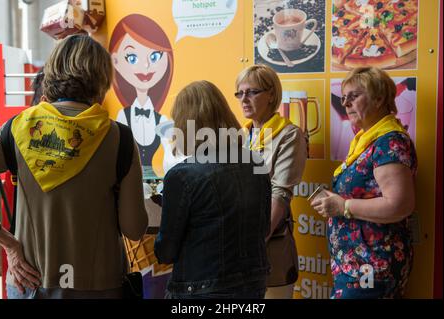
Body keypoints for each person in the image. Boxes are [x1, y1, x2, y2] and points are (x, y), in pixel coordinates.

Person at [0, 34, 148, 298]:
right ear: (102, 78)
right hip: (100, 288)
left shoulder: (17, 129)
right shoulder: (118, 138)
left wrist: (10, 245)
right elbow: (134, 229)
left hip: (31, 285)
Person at [154, 80, 272, 299]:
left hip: (199, 289)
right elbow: (263, 228)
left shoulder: (182, 175)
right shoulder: (256, 163)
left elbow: (166, 252)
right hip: (253, 285)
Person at [310, 67, 417, 299]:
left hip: (371, 268)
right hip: (358, 267)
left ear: (379, 98)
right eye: (344, 97)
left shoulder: (390, 142)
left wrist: (343, 206)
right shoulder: (367, 140)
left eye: (354, 96)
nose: (346, 103)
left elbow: (399, 205)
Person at [235, 64, 307, 299]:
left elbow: (281, 193)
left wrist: (253, 244)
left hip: (269, 247)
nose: (244, 99)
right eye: (240, 93)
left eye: (252, 92)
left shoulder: (290, 134)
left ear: (272, 95)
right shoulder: (240, 136)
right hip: (236, 246)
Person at [109, 14, 175, 177]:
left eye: (155, 57)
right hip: (131, 178)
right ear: (115, 61)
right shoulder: (122, 116)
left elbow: (172, 158)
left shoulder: (163, 120)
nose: (145, 65)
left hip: (155, 181)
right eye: (132, 58)